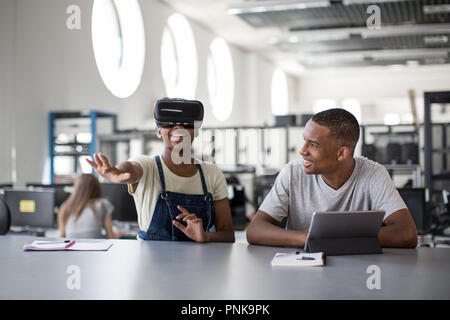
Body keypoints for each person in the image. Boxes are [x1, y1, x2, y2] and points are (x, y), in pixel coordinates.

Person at [247, 108, 417, 248]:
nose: (302, 151)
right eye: (304, 141)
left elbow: (406, 234)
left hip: (358, 271)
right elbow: (255, 230)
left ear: (342, 153)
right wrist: (305, 238)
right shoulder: (292, 172)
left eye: (313, 144)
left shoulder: (374, 174)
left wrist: (331, 239)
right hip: (302, 269)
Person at [86, 99, 235, 243]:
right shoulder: (148, 166)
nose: (178, 129)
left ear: (195, 131)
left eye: (186, 124)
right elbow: (131, 168)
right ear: (158, 131)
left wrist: (206, 237)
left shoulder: (212, 173)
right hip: (150, 264)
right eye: (170, 124)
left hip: (199, 262)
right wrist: (117, 172)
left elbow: (227, 234)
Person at [57, 174, 124, 239]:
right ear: (96, 187)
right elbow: (110, 236)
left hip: (72, 248)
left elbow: (62, 235)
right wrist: (118, 234)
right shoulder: (102, 204)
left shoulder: (65, 207)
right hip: (95, 249)